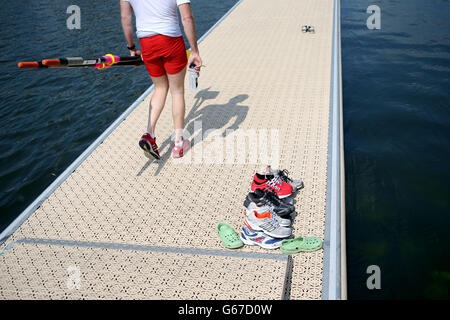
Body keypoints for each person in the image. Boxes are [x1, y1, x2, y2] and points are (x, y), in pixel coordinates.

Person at [120, 0, 202, 159]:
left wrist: (131, 48)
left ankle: (149, 133)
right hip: (171, 41)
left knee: (159, 88)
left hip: (147, 44)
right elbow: (187, 19)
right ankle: (178, 144)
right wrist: (195, 51)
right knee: (177, 91)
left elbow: (125, 18)